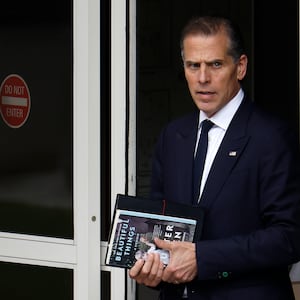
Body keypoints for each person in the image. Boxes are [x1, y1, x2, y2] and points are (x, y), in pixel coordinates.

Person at [129, 15, 300, 300]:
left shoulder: (272, 137)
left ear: (240, 67)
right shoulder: (172, 136)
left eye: (215, 64)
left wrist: (203, 259)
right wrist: (152, 266)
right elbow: (156, 223)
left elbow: (289, 237)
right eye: (193, 65)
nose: (203, 78)